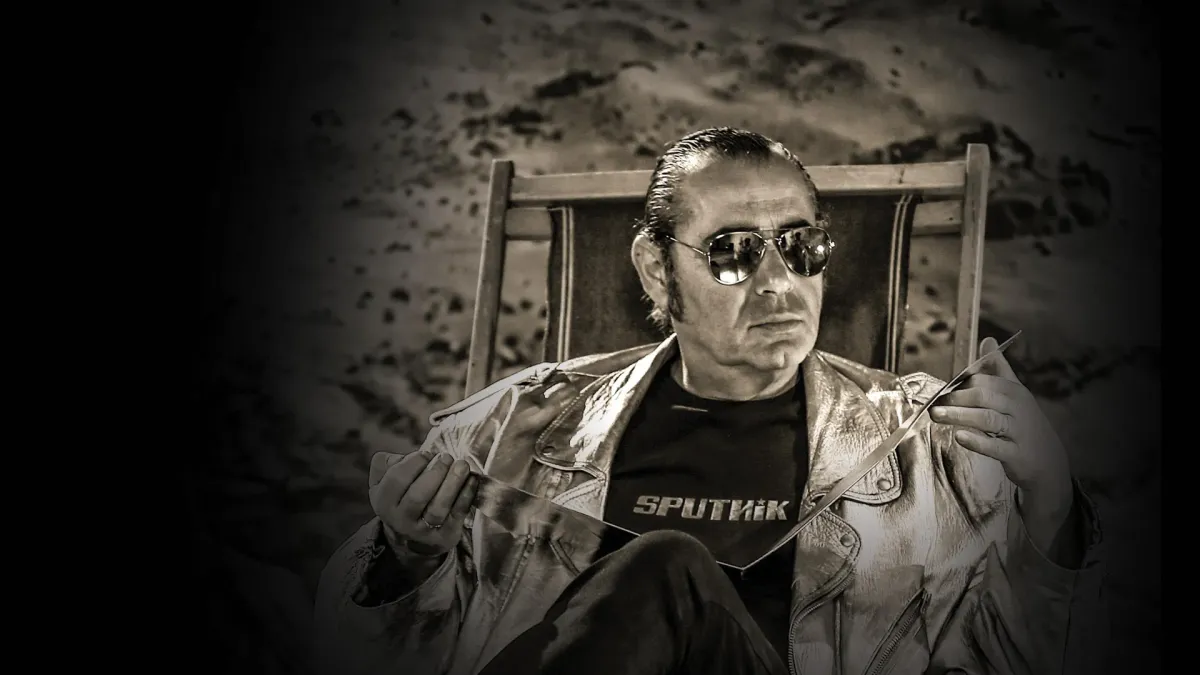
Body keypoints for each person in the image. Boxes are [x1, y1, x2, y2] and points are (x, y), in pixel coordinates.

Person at [313, 128, 1106, 675]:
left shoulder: (923, 438)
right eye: (732, 253)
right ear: (656, 270)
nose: (778, 282)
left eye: (802, 246)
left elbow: (1031, 656)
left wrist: (1050, 503)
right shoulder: (522, 424)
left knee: (668, 568)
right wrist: (403, 559)